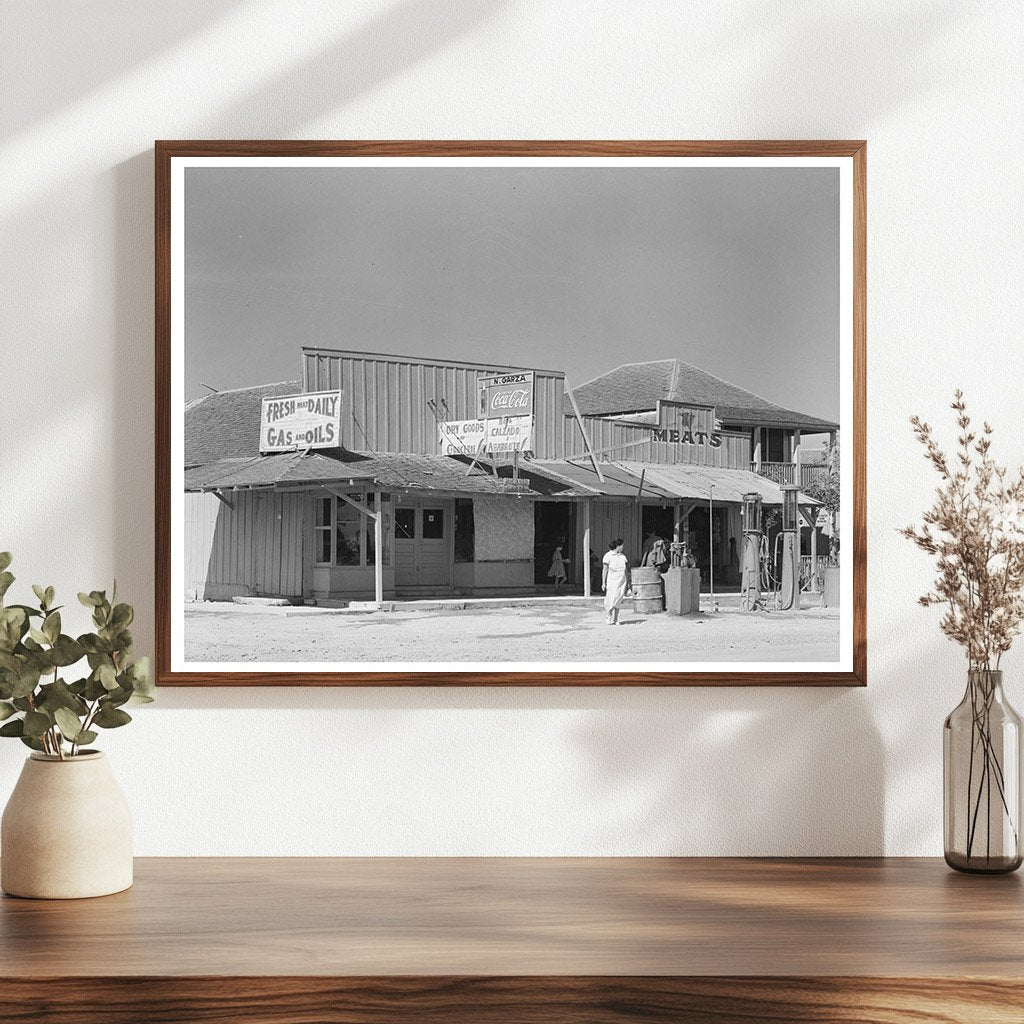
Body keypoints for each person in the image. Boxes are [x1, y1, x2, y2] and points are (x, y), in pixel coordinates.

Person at [601, 538, 631, 625]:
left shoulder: (623, 557)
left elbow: (625, 570)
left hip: (622, 581)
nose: (623, 547)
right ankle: (609, 616)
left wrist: (628, 582)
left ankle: (616, 619)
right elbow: (605, 569)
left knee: (619, 598)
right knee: (611, 598)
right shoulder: (608, 556)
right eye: (622, 546)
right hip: (612, 581)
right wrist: (603, 582)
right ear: (617, 546)